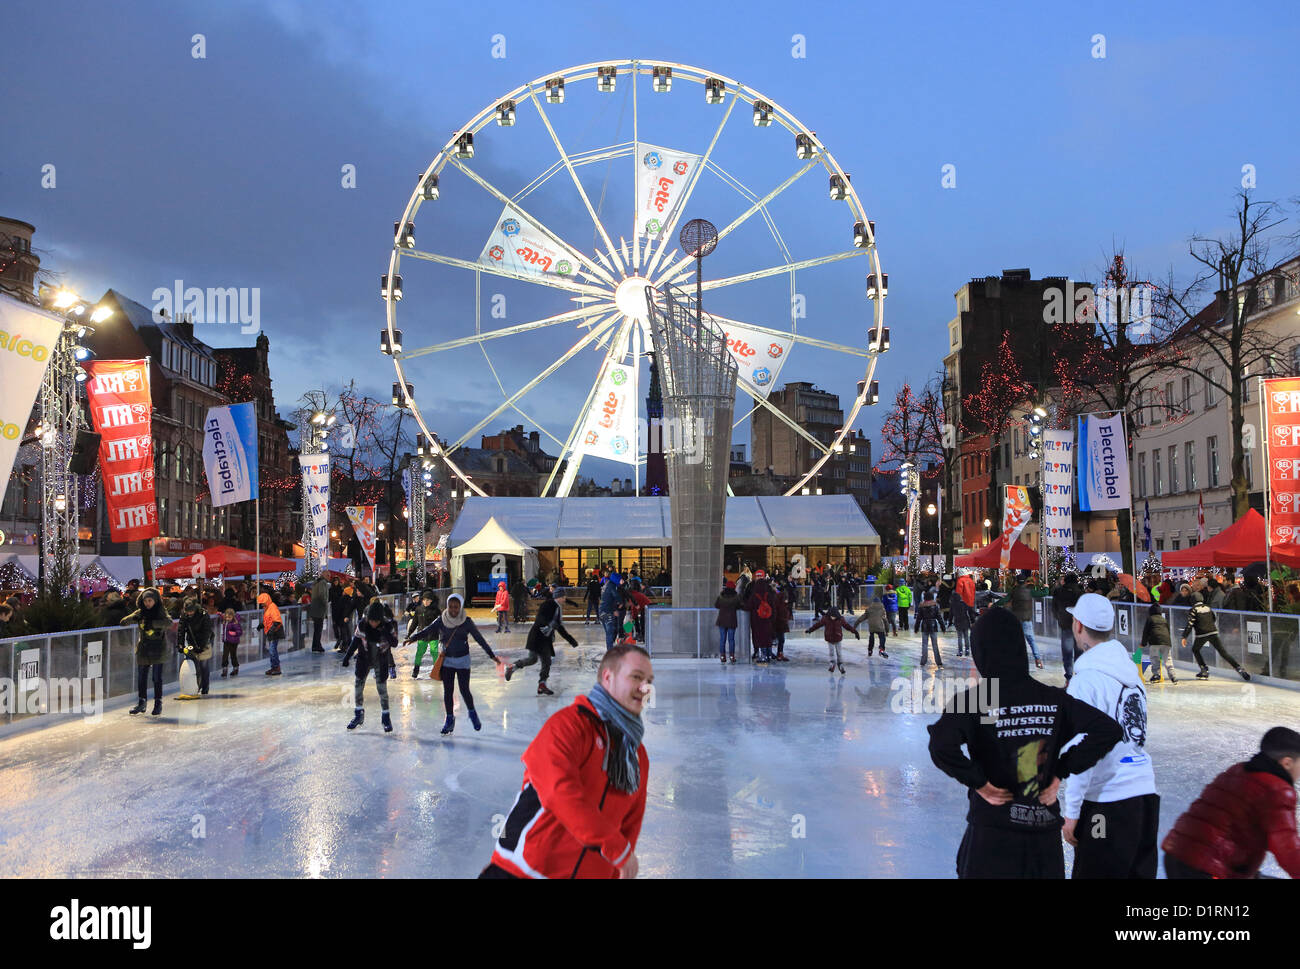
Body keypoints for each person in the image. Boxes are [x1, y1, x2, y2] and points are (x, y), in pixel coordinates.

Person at [927, 607, 1123, 879]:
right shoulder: (1053, 699)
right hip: (1042, 840)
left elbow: (941, 745)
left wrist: (980, 784)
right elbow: (1107, 730)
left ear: (981, 650)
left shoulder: (979, 700)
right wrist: (1060, 772)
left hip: (991, 838)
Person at [481, 644, 651, 879]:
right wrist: (614, 846)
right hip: (520, 869)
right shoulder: (569, 725)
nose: (645, 687)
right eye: (636, 677)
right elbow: (558, 792)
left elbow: (629, 826)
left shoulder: (636, 755)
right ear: (608, 677)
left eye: (649, 680)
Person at [1060, 593, 1160, 878]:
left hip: (1107, 802)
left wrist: (1073, 811)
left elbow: (1083, 748)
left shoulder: (1086, 681)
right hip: (1144, 797)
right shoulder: (1131, 674)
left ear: (1078, 625)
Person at [1161, 726, 1300, 879]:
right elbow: (1287, 849)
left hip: (1178, 855)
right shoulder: (1277, 790)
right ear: (1287, 763)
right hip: (1205, 868)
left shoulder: (1238, 771)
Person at [405, 592, 506, 735]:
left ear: (461, 607)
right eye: (451, 606)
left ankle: (472, 713)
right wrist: (413, 637)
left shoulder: (466, 621)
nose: (453, 610)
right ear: (447, 606)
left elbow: (480, 639)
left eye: (456, 607)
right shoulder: (441, 619)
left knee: (465, 690)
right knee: (448, 692)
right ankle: (450, 719)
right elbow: (427, 630)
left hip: (463, 660)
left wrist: (492, 655)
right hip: (447, 661)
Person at [505, 586, 579, 694]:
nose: (565, 599)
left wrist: (571, 640)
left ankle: (515, 668)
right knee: (543, 661)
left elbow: (558, 627)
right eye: (563, 597)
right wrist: (548, 625)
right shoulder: (549, 605)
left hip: (540, 637)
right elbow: (541, 618)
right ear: (559, 597)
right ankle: (540, 683)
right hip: (539, 637)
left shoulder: (556, 606)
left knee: (537, 660)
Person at [342, 602, 399, 732]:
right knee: (358, 687)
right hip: (364, 659)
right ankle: (358, 715)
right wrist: (347, 656)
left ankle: (386, 717)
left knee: (382, 689)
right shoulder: (362, 624)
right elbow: (355, 641)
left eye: (376, 621)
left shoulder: (387, 625)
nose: (373, 623)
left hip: (381, 659)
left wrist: (386, 633)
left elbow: (395, 643)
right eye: (371, 620)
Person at [121, 587, 173, 716]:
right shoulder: (141, 612)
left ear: (155, 600)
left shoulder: (161, 611)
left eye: (150, 600)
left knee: (156, 678)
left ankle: (158, 703)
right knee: (142, 677)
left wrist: (154, 624)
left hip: (158, 649)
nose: (147, 603)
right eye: (145, 601)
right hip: (144, 648)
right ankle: (142, 702)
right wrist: (128, 620)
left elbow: (169, 622)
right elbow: (127, 619)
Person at [1181, 592, 1250, 681]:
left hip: (1202, 633)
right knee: (1223, 652)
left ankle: (1204, 669)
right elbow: (1213, 618)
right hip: (1212, 631)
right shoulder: (1208, 607)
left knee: (1195, 649)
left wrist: (1184, 636)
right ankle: (1239, 668)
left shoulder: (1193, 610)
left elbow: (1190, 624)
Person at [176, 597, 214, 696]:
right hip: (191, 643)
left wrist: (201, 646)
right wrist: (180, 644)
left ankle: (205, 687)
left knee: (203, 666)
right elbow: (181, 630)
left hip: (204, 643)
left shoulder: (203, 615)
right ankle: (196, 687)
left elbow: (207, 631)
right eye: (187, 611)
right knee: (193, 666)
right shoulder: (184, 616)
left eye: (191, 611)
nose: (189, 613)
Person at [808, 605, 859, 674]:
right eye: (832, 616)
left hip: (838, 638)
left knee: (839, 653)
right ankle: (832, 663)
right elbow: (818, 625)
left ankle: (840, 664)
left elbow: (847, 626)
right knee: (831, 652)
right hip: (829, 638)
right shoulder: (825, 618)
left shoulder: (841, 619)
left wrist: (855, 632)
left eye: (834, 616)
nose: (833, 618)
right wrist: (810, 630)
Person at [1008, 571, 1043, 670]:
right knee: (1031, 640)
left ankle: (1015, 661)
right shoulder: (1030, 591)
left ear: (1017, 582)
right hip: (1026, 619)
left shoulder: (1013, 591)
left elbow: (1005, 600)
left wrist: (993, 605)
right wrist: (1046, 587)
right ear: (1025, 582)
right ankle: (1038, 660)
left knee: (1016, 641)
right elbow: (1044, 593)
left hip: (1016, 620)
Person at [1052, 573, 1082, 684]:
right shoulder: (1079, 593)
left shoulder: (1058, 591)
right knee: (1079, 653)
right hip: (1078, 626)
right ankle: (1079, 676)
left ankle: (1069, 677)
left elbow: (1054, 608)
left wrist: (1059, 618)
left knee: (1067, 653)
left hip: (1065, 625)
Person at [743, 570, 778, 665]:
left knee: (759, 636)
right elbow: (774, 604)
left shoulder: (754, 594)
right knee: (767, 636)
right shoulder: (769, 592)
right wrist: (773, 617)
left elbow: (748, 605)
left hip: (757, 619)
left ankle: (763, 654)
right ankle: (768, 653)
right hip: (768, 618)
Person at [1140, 601, 1177, 684]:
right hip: (1166, 642)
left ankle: (1156, 675)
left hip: (1155, 642)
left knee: (1155, 658)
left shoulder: (1150, 619)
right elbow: (1168, 631)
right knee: (1168, 659)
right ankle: (1173, 676)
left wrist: (1143, 643)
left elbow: (1145, 632)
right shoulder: (1164, 619)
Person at [407, 589, 441, 679]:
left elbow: (441, 623)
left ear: (431, 601)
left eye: (428, 600)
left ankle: (436, 671)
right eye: (424, 600)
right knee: (419, 653)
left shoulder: (436, 611)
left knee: (434, 652)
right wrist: (409, 633)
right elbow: (414, 622)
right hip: (422, 634)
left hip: (433, 635)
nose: (425, 602)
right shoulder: (419, 609)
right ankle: (416, 669)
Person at [256, 591, 285, 676]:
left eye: (263, 603)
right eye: (261, 604)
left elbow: (277, 621)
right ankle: (274, 667)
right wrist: (261, 625)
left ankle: (276, 667)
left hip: (275, 632)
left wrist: (271, 631)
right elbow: (268, 620)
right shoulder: (267, 608)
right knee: (272, 651)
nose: (262, 605)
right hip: (271, 632)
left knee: (272, 650)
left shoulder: (272, 607)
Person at [714, 581, 741, 664]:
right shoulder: (736, 597)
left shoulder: (721, 597)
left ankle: (722, 656)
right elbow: (739, 606)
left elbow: (716, 605)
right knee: (731, 639)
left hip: (722, 620)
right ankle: (732, 656)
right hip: (731, 620)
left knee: (722, 639)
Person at [598, 573, 626, 651]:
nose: (622, 581)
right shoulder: (612, 586)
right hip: (606, 613)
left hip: (602, 612)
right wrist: (620, 602)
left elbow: (609, 599)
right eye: (620, 580)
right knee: (610, 633)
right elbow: (615, 596)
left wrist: (614, 609)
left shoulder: (607, 585)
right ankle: (610, 652)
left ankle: (610, 650)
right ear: (616, 579)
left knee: (609, 633)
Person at [916, 591, 944, 669]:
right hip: (933, 625)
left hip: (924, 626)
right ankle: (938, 662)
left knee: (924, 645)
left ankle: (923, 661)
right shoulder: (935, 605)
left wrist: (916, 628)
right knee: (935, 645)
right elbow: (939, 617)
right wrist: (943, 626)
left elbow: (918, 618)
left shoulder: (921, 606)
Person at [308, 574, 330, 651]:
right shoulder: (323, 582)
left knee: (317, 629)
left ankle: (316, 645)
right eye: (328, 575)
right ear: (325, 575)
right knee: (318, 629)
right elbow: (322, 595)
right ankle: (316, 646)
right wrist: (325, 604)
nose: (329, 577)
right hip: (319, 609)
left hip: (315, 609)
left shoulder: (316, 582)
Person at [951, 589, 975, 658]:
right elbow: (970, 611)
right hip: (965, 621)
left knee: (959, 637)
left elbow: (951, 615)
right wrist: (973, 620)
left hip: (958, 622)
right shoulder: (964, 603)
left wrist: (949, 622)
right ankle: (967, 650)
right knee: (966, 636)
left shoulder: (953, 605)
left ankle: (960, 651)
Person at [220, 607, 242, 677]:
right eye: (226, 617)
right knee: (225, 655)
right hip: (226, 641)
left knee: (233, 655)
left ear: (233, 616)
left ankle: (235, 668)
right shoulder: (225, 621)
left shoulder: (235, 623)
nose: (227, 619)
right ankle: (224, 669)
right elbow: (223, 618)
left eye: (229, 617)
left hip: (233, 642)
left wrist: (235, 633)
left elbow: (240, 631)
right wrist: (220, 615)